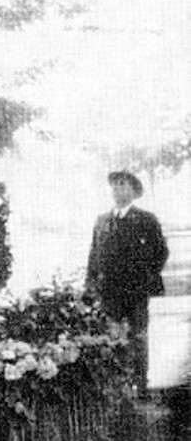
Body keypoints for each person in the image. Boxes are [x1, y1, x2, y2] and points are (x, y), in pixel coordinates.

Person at [86, 170, 169, 400]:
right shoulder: (102, 221)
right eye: (114, 186)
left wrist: (146, 280)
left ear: (133, 192)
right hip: (109, 292)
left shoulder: (146, 220)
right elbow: (94, 255)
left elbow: (160, 252)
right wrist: (90, 284)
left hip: (136, 292)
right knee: (111, 337)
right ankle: (117, 388)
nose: (118, 190)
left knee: (138, 337)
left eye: (123, 186)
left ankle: (140, 386)